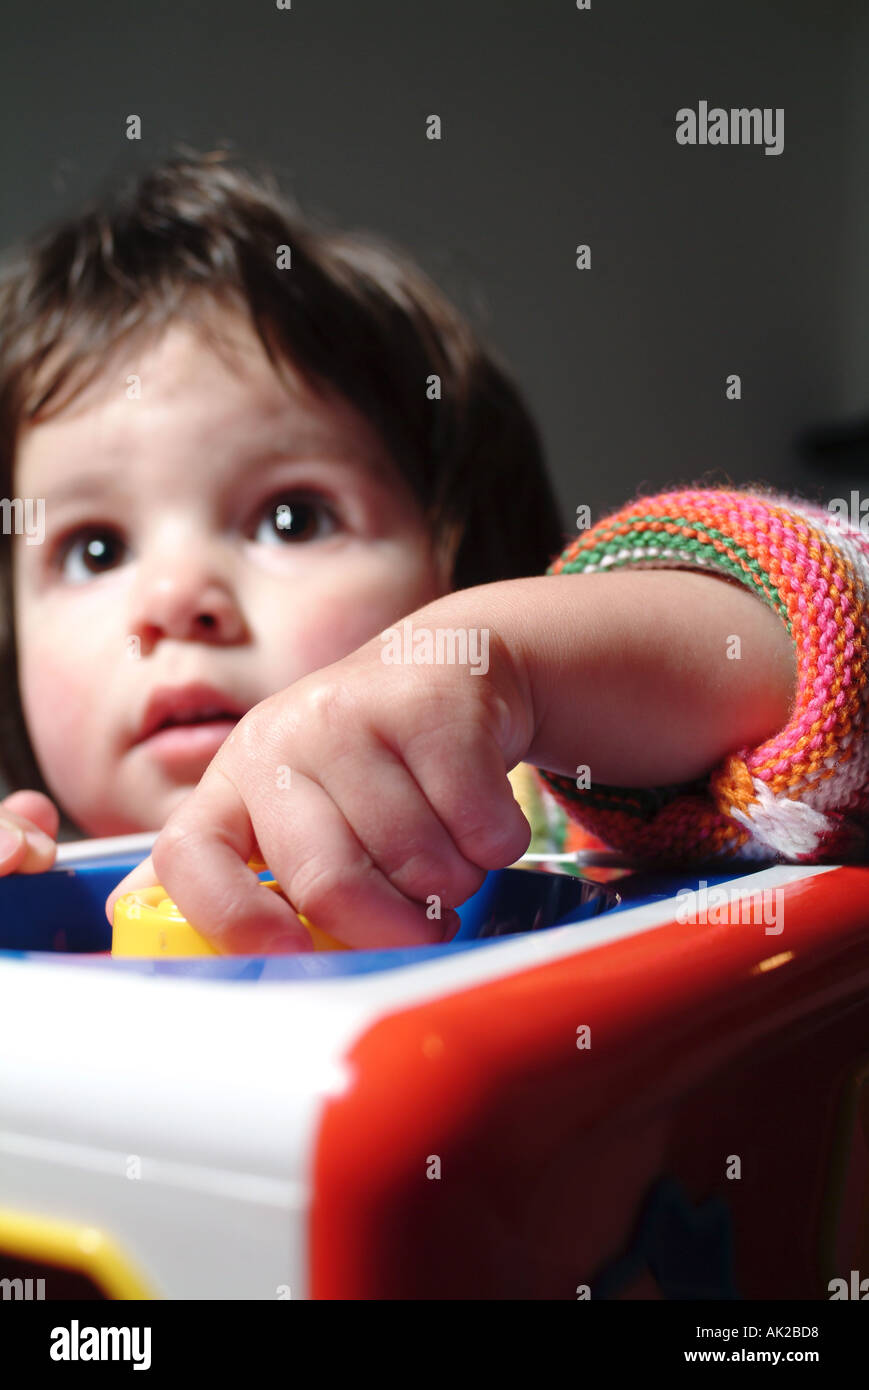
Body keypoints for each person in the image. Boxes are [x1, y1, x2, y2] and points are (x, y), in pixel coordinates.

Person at [0, 149, 865, 953]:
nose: (176, 597)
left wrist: (517, 661)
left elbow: (840, 648)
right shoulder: (34, 869)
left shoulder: (573, 811)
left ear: (466, 569)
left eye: (293, 518)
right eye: (94, 548)